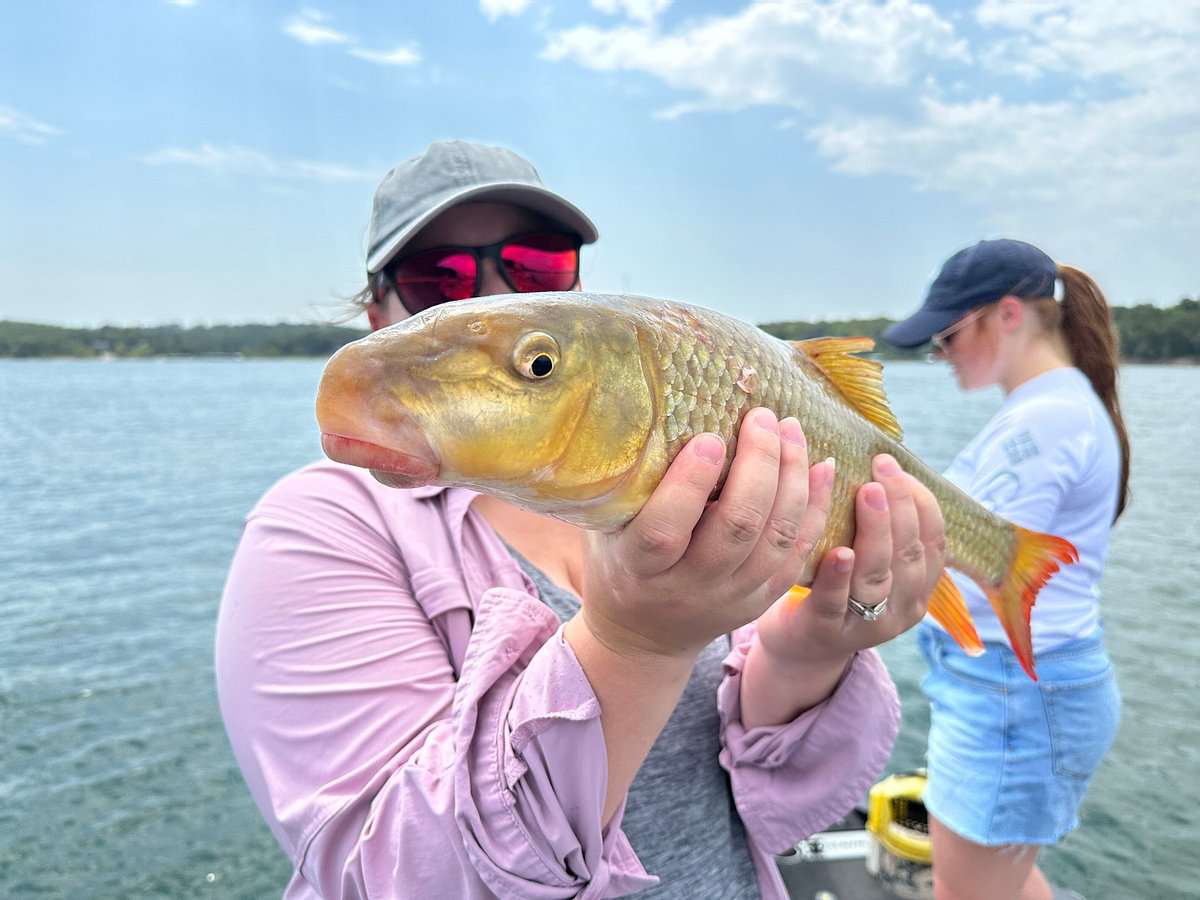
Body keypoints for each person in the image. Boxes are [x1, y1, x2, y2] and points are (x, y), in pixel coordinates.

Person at [215, 139, 947, 899]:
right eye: (438, 278)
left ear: (577, 291)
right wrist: (635, 643)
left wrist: (812, 651)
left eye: (533, 264)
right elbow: (388, 878)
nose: (481, 297)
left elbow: (780, 807)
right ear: (378, 316)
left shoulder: (680, 483)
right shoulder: (318, 528)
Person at [882, 239, 1128, 900]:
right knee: (1005, 881)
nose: (941, 353)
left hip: (1016, 694)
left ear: (1010, 315)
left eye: (951, 334)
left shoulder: (1046, 419)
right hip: (1021, 688)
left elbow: (981, 561)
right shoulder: (1058, 406)